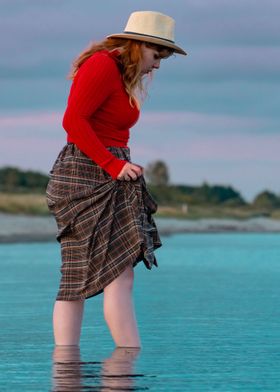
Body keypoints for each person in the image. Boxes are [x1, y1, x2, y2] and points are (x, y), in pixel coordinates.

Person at [46, 10, 186, 349]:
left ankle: (122, 364)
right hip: (85, 173)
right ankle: (79, 369)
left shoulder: (120, 74)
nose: (157, 66)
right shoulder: (101, 66)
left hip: (113, 171)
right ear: (138, 45)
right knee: (77, 277)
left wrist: (118, 165)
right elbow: (74, 122)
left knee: (122, 274)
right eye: (156, 56)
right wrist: (112, 164)